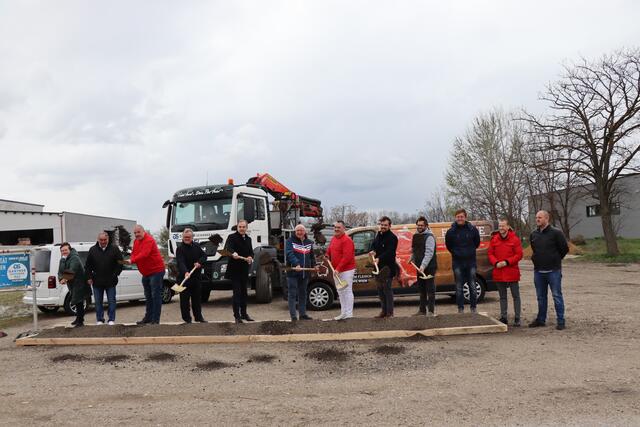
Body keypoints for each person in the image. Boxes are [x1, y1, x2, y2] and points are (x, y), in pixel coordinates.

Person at [529, 210, 569, 330]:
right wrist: (535, 259)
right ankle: (541, 319)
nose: (537, 219)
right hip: (539, 271)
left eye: (540, 217)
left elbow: (564, 249)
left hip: (553, 271)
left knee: (557, 295)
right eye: (536, 217)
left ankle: (561, 321)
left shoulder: (556, 233)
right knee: (541, 297)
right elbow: (534, 249)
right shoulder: (533, 234)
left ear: (547, 218)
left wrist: (555, 259)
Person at [488, 219, 523, 326]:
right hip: (499, 271)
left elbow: (519, 255)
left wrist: (507, 262)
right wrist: (495, 262)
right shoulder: (494, 239)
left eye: (503, 226)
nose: (501, 228)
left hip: (511, 271)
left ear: (508, 227)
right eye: (499, 226)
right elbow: (490, 253)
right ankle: (504, 317)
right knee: (502, 296)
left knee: (515, 296)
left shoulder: (515, 239)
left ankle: (517, 318)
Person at [445, 209, 481, 313]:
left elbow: (477, 243)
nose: (459, 218)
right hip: (457, 262)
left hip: (471, 262)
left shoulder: (473, 230)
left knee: (472, 285)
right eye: (458, 217)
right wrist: (456, 253)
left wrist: (469, 252)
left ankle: (473, 308)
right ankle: (460, 309)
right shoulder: (450, 232)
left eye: (461, 216)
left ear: (465, 217)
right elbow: (448, 245)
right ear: (455, 218)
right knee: (459, 286)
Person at [129, 225, 166, 325]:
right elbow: (133, 253)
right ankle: (148, 317)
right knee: (148, 296)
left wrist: (132, 260)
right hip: (146, 273)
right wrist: (131, 258)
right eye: (135, 233)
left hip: (156, 271)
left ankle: (155, 320)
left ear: (143, 231)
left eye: (138, 232)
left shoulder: (149, 240)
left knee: (155, 296)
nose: (136, 234)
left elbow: (144, 254)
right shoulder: (136, 242)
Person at [85, 232, 123, 325]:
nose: (103, 242)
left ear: (108, 239)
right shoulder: (92, 250)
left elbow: (120, 263)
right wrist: (89, 277)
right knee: (98, 302)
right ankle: (99, 319)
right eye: (101, 240)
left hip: (111, 281)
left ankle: (111, 319)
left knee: (111, 301)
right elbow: (88, 265)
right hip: (97, 281)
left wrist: (116, 274)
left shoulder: (114, 249)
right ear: (98, 240)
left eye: (105, 240)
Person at [224, 220, 255, 323]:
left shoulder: (249, 239)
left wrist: (250, 257)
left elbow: (251, 251)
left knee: (244, 293)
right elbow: (228, 248)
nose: (242, 228)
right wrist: (233, 253)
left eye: (244, 227)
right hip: (234, 269)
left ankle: (244, 314)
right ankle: (237, 316)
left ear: (246, 228)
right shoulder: (232, 237)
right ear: (237, 227)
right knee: (237, 293)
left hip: (244, 269)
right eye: (240, 227)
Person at [285, 224, 317, 321]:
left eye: (301, 230)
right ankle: (293, 316)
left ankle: (303, 314)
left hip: (304, 274)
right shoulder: (290, 241)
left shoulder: (309, 243)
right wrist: (297, 263)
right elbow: (289, 253)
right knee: (292, 294)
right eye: (297, 230)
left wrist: (314, 266)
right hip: (293, 273)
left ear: (305, 232)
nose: (299, 232)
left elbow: (311, 256)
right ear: (295, 232)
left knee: (303, 294)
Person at [325, 221, 356, 320]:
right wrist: (327, 255)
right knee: (340, 291)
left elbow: (347, 257)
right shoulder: (334, 238)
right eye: (335, 227)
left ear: (344, 229)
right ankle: (343, 313)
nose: (336, 229)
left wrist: (338, 269)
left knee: (347, 291)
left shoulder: (347, 240)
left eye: (338, 227)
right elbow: (330, 249)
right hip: (336, 270)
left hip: (346, 270)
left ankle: (349, 313)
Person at [176, 228, 208, 324]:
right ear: (182, 237)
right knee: (184, 301)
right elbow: (180, 262)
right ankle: (187, 319)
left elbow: (204, 256)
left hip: (196, 278)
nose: (187, 239)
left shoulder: (196, 246)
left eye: (188, 237)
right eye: (185, 237)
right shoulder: (180, 249)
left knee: (197, 299)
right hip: (184, 278)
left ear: (192, 237)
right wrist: (185, 272)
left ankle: (198, 317)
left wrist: (199, 263)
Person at [370, 216, 398, 318]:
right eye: (381, 225)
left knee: (387, 290)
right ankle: (383, 311)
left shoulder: (392, 238)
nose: (383, 227)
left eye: (385, 225)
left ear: (389, 226)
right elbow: (374, 245)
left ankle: (390, 312)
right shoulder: (378, 235)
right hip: (378, 268)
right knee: (380, 290)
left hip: (387, 268)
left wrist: (379, 258)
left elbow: (390, 252)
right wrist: (373, 251)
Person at [411, 216, 438, 316]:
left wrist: (423, 265)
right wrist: (412, 258)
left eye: (422, 225)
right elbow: (415, 250)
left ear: (426, 226)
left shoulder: (429, 237)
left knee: (430, 290)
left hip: (429, 267)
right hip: (419, 267)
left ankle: (431, 311)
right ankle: (422, 311)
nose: (419, 227)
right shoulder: (416, 236)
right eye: (418, 225)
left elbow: (429, 253)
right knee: (421, 289)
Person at [58, 242, 89, 327]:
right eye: (62, 250)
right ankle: (78, 319)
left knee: (79, 301)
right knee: (76, 301)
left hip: (80, 282)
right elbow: (60, 271)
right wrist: (61, 279)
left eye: (65, 250)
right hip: (71, 283)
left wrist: (65, 279)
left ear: (70, 249)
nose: (64, 252)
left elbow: (72, 270)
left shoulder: (74, 257)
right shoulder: (63, 259)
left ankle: (80, 321)